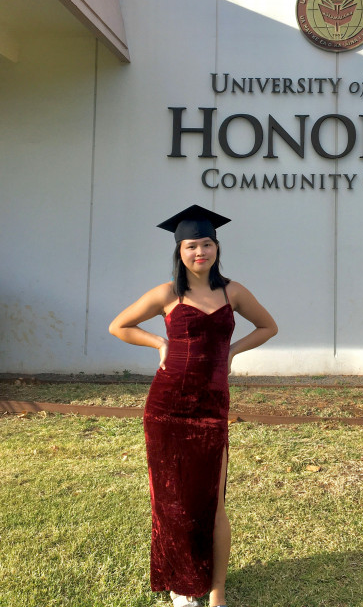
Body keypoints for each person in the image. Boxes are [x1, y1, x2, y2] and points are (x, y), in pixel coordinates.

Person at [109, 204, 278, 607]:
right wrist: (159, 343)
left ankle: (216, 591)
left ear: (216, 247)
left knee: (213, 500)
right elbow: (119, 326)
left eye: (206, 244)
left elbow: (269, 326)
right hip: (166, 406)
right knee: (171, 498)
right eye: (191, 246)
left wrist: (231, 353)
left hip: (211, 406)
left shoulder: (232, 292)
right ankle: (183, 585)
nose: (200, 252)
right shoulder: (168, 293)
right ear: (179, 251)